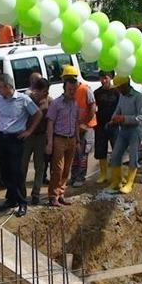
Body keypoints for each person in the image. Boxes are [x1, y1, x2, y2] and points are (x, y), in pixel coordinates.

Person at [0, 73, 42, 217]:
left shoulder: (23, 99)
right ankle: (11, 199)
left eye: (0, 88)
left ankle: (22, 202)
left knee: (18, 172)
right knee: (5, 171)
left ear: (8, 87)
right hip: (3, 137)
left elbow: (38, 114)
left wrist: (29, 131)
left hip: (16, 138)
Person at [106, 76, 142, 194]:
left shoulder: (139, 97)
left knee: (133, 157)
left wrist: (124, 118)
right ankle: (116, 182)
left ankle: (129, 183)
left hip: (135, 131)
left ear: (125, 85)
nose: (118, 90)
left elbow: (141, 117)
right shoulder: (121, 96)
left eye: (119, 88)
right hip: (123, 130)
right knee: (115, 155)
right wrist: (113, 120)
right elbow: (118, 109)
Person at [45, 78, 79, 208]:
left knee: (66, 169)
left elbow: (76, 121)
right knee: (57, 169)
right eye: (70, 89)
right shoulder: (56, 103)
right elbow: (50, 122)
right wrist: (49, 142)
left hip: (71, 139)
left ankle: (61, 194)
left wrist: (77, 139)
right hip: (59, 138)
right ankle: (53, 196)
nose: (72, 91)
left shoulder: (75, 104)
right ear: (64, 88)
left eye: (74, 89)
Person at [61, 66, 96, 188]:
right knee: (74, 154)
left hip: (86, 127)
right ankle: (74, 176)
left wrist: (85, 123)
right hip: (74, 127)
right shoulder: (69, 90)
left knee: (83, 153)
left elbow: (92, 107)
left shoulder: (85, 89)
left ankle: (80, 177)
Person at [23, 78, 49, 206]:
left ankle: (36, 194)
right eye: (41, 91)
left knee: (40, 166)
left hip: (41, 137)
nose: (43, 94)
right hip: (28, 136)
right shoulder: (28, 100)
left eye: (45, 92)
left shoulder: (49, 102)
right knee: (23, 165)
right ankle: (21, 193)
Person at [94, 71, 119, 184]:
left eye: (106, 78)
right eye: (101, 78)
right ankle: (103, 174)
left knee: (117, 150)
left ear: (110, 78)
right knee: (101, 150)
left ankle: (117, 174)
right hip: (100, 125)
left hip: (114, 125)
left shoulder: (117, 91)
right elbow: (93, 109)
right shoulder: (97, 92)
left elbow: (121, 107)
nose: (103, 81)